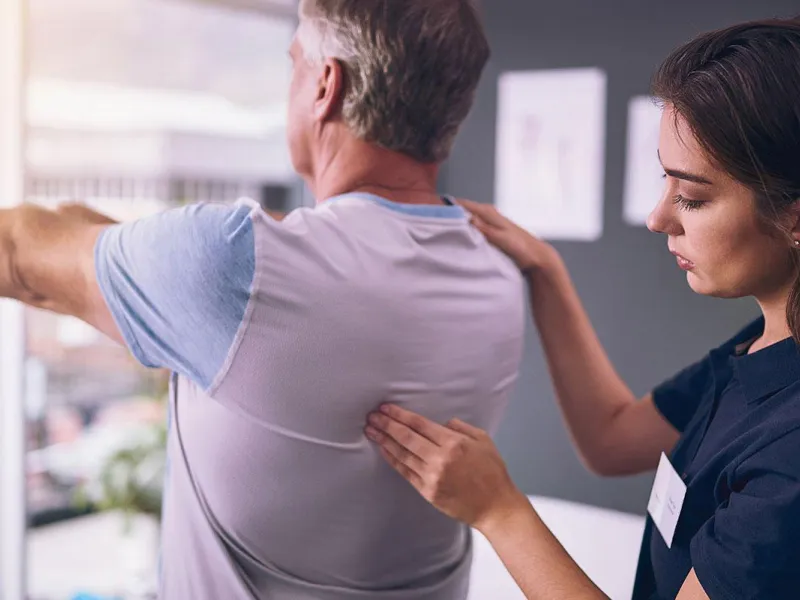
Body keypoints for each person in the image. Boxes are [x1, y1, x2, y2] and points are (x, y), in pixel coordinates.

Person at [0, 1, 525, 598]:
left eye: (295, 62)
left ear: (327, 85)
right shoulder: (500, 277)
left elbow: (18, 251)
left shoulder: (238, 267)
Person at [365, 17, 800, 600]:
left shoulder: (787, 456)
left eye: (692, 198)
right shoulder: (764, 343)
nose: (657, 218)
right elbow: (612, 439)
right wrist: (546, 273)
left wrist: (499, 511)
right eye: (664, 182)